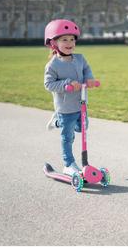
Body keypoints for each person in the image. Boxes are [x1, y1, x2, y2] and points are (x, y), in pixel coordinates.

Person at [43, 19, 98, 175]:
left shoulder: (80, 58)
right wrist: (67, 84)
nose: (69, 43)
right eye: (64, 39)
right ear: (54, 43)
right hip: (65, 107)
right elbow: (49, 84)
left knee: (82, 128)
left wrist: (90, 79)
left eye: (72, 39)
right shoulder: (53, 65)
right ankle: (68, 164)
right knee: (68, 137)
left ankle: (57, 122)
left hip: (81, 103)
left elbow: (86, 70)